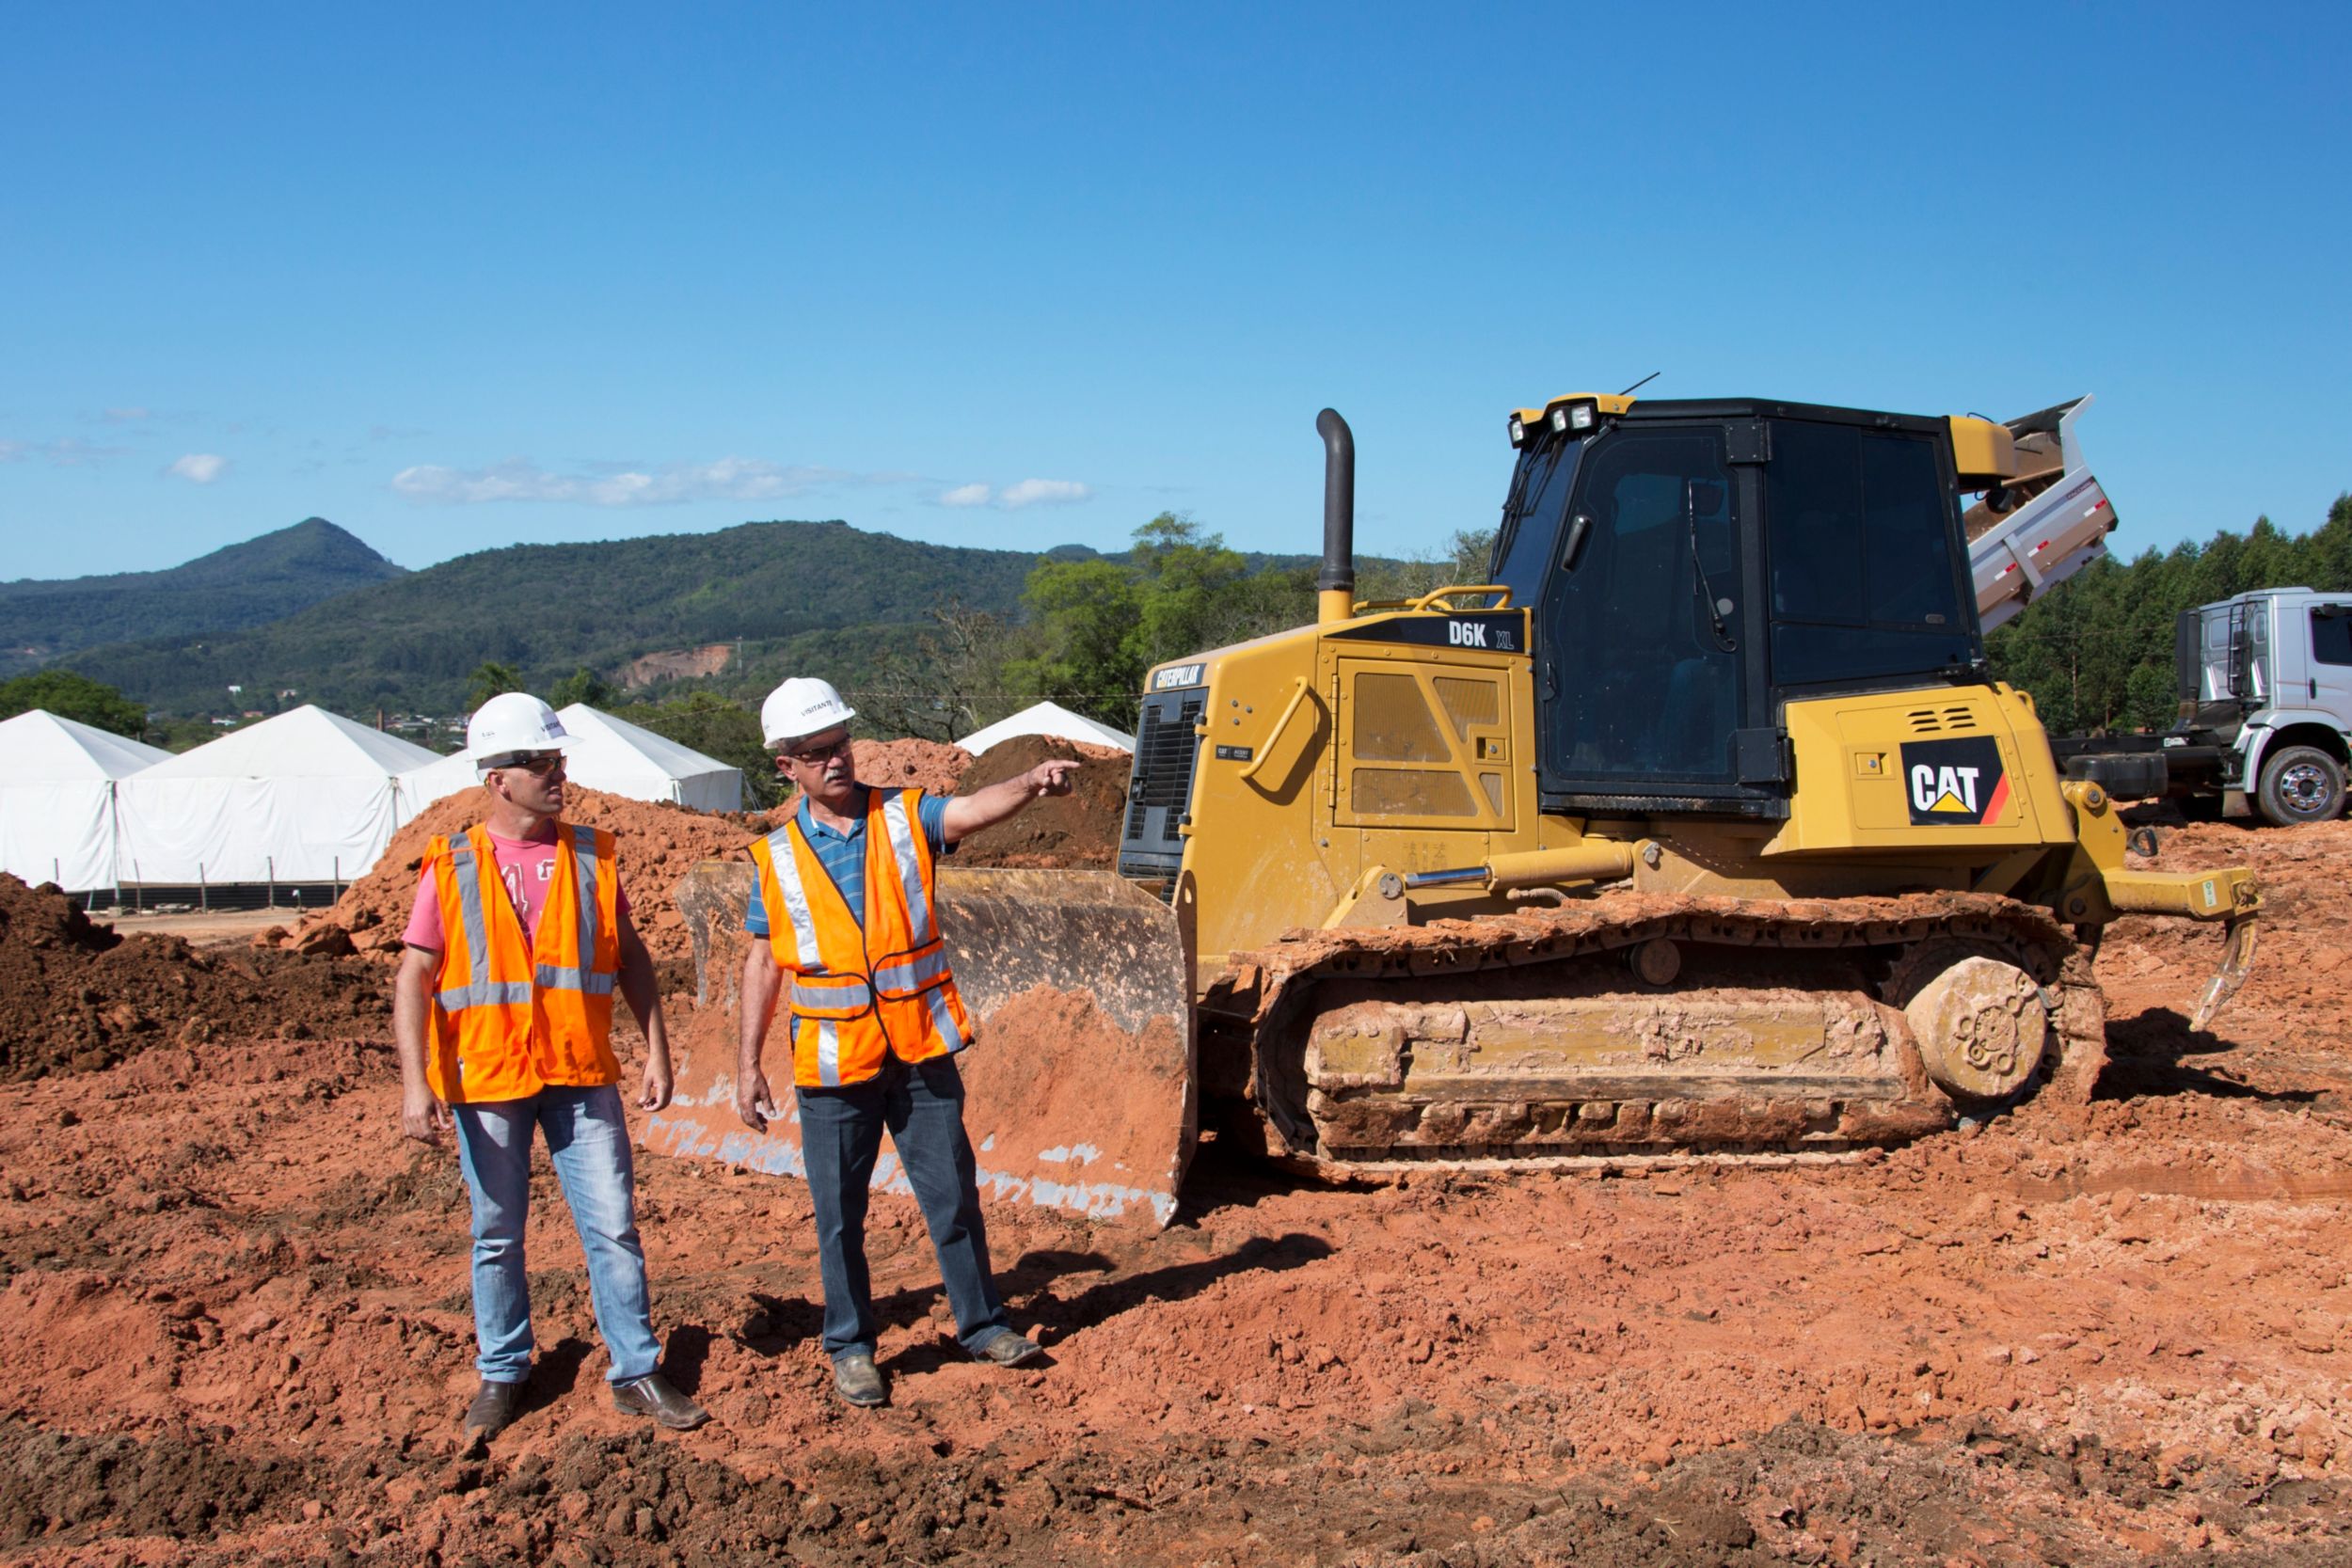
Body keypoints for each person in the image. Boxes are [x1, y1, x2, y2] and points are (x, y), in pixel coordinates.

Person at [733, 675, 1079, 1408]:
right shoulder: (775, 858)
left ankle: (982, 1324)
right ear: (784, 765)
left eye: (840, 745)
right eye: (816, 752)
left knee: (952, 1195)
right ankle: (852, 1346)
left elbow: (971, 809)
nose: (836, 760)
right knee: (838, 1216)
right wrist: (746, 1065)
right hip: (832, 1065)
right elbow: (763, 961)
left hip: (918, 1049)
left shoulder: (902, 816)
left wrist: (1028, 780)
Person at [392, 691, 708, 1447]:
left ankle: (635, 1368)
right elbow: (414, 974)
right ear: (498, 778)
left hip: (580, 1070)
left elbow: (630, 955)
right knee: (497, 1232)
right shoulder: (453, 862)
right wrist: (415, 1081)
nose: (556, 774)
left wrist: (658, 1047)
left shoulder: (595, 855)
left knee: (614, 1226)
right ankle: (503, 1370)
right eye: (540, 763)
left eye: (558, 760)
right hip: (490, 1077)